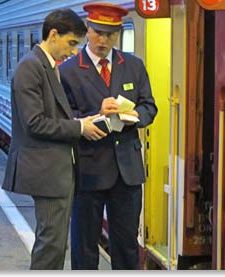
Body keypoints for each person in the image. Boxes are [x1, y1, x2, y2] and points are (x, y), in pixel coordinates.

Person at [2, 9, 106, 270]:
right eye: (71, 43)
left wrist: (90, 118)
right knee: (50, 244)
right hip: (46, 171)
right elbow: (35, 123)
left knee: (55, 243)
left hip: (57, 170)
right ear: (53, 34)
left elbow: (55, 114)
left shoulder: (46, 66)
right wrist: (79, 127)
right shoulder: (31, 67)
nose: (73, 52)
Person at [60, 2, 158, 270]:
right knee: (85, 244)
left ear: (118, 34)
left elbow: (150, 105)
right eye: (98, 32)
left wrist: (136, 116)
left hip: (127, 171)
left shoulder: (134, 66)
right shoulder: (68, 71)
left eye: (111, 34)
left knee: (127, 244)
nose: (103, 40)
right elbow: (62, 119)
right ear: (87, 30)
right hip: (88, 170)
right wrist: (97, 113)